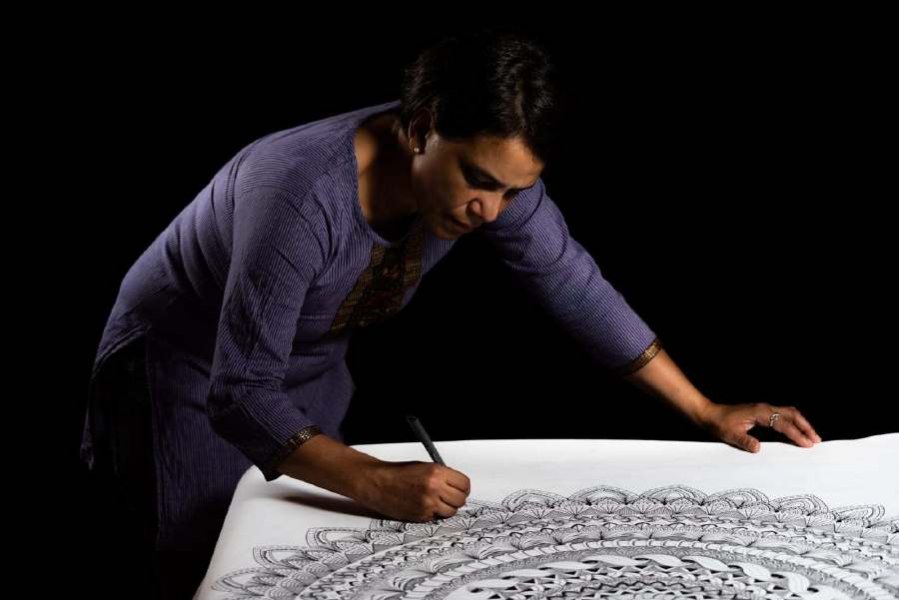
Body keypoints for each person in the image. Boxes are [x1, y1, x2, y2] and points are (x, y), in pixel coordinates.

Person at [80, 28, 822, 599]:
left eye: (511, 191)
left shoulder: (493, 185)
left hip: (307, 364)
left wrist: (703, 409)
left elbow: (572, 283)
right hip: (183, 368)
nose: (490, 211)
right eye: (477, 180)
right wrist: (373, 479)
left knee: (294, 556)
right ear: (420, 127)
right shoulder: (297, 195)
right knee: (205, 563)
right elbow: (240, 391)